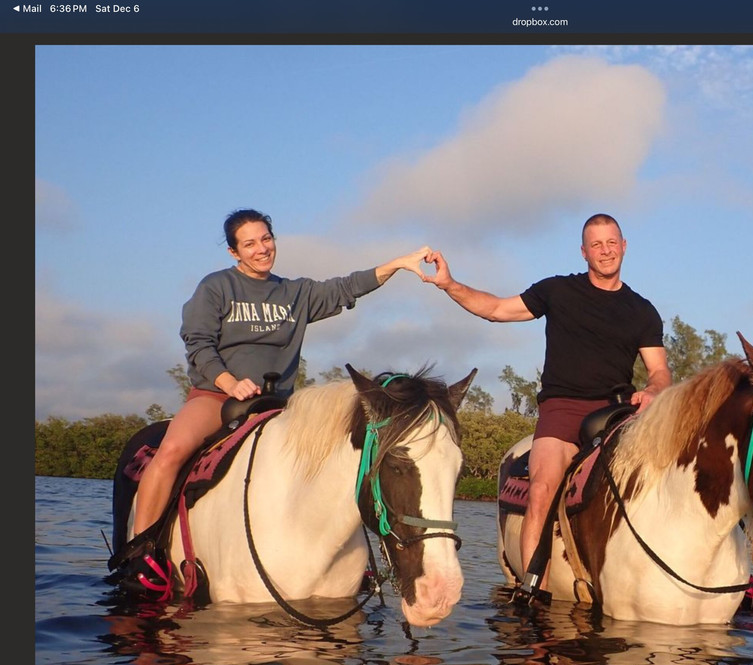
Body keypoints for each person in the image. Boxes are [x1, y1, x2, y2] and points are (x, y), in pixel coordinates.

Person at [117, 208, 435, 592]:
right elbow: (198, 342)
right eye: (249, 243)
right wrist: (229, 382)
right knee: (172, 450)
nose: (261, 249)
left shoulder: (294, 293)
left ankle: (354, 565)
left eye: (266, 239)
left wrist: (398, 265)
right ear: (235, 252)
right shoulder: (216, 287)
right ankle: (140, 553)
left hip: (279, 405)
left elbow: (346, 287)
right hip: (219, 397)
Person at [421, 213, 672, 600]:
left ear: (624, 246)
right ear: (584, 252)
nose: (605, 251)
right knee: (542, 489)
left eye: (611, 243)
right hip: (563, 409)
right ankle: (532, 588)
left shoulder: (642, 310)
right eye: (596, 245)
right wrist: (449, 285)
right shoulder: (557, 291)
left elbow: (659, 371)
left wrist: (653, 390)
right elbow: (496, 309)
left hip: (615, 414)